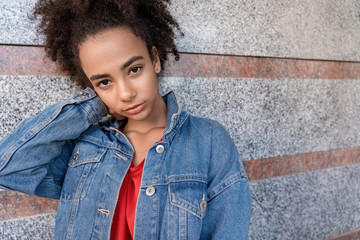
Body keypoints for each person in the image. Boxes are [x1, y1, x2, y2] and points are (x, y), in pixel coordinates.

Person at [0, 0, 251, 239]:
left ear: (154, 59)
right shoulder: (86, 148)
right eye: (104, 81)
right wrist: (95, 104)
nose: (126, 93)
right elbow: (9, 168)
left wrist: (107, 92)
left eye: (134, 69)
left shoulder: (208, 142)